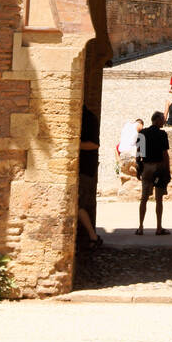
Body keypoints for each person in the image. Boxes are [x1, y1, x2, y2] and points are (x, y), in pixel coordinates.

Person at [135, 112, 172, 235]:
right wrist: (167, 170)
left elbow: (139, 153)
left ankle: (140, 227)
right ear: (156, 120)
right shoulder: (162, 134)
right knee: (159, 199)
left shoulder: (142, 133)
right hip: (159, 167)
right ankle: (159, 227)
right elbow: (164, 154)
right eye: (162, 119)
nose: (163, 121)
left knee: (144, 198)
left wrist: (138, 168)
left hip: (146, 167)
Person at [77, 105, 102, 249]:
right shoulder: (86, 117)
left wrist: (74, 145)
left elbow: (94, 144)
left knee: (78, 205)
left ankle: (93, 236)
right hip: (83, 168)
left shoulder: (89, 119)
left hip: (85, 169)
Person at [116, 118, 143, 189]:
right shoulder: (138, 125)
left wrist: (118, 163)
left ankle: (122, 175)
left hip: (123, 156)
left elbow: (116, 148)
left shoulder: (126, 128)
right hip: (131, 156)